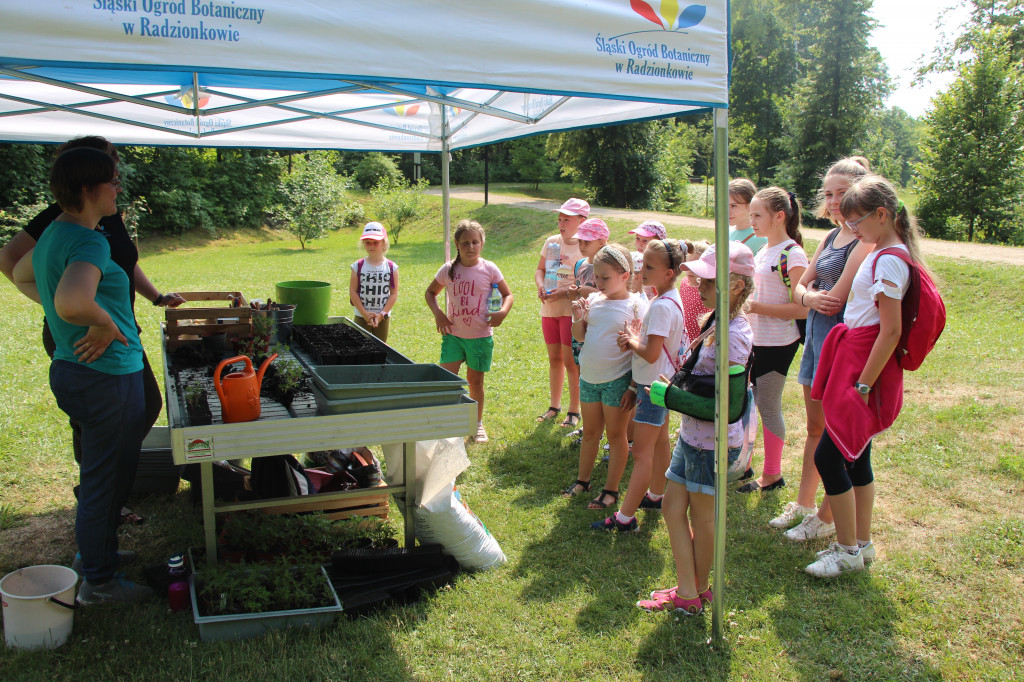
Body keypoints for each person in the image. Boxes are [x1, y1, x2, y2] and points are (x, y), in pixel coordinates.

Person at [0, 135, 183, 528]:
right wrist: (78, 312)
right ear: (85, 180)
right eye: (111, 175)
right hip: (88, 338)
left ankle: (103, 490)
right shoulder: (66, 222)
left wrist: (155, 297)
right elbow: (14, 263)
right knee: (107, 419)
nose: (118, 184)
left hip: (114, 332)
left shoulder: (103, 218)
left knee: (137, 409)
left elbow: (124, 260)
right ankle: (100, 496)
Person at [11, 147, 153, 604]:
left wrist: (64, 319)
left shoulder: (56, 232)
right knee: (104, 481)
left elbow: (21, 274)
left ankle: (97, 555)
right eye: (112, 181)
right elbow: (72, 301)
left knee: (103, 475)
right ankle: (99, 581)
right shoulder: (91, 241)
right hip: (106, 376)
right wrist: (104, 322)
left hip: (76, 371)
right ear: (89, 189)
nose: (118, 188)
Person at [804, 175, 923, 577]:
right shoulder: (886, 252)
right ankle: (863, 544)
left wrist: (863, 384)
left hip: (863, 365)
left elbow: (889, 331)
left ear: (883, 215)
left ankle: (847, 548)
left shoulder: (889, 258)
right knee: (856, 456)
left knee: (829, 454)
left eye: (857, 223)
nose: (852, 230)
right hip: (855, 355)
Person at [636, 241, 755, 614]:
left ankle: (695, 592)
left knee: (703, 518)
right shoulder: (716, 321)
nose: (698, 286)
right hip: (692, 437)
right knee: (672, 508)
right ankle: (691, 587)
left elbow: (729, 407)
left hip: (711, 444)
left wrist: (671, 399)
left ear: (735, 285)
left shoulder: (733, 336)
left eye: (708, 280)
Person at [772, 157, 873, 538]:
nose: (833, 201)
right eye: (828, 194)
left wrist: (810, 297)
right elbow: (801, 289)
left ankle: (828, 519)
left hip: (841, 346)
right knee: (816, 426)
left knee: (837, 433)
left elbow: (836, 296)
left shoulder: (864, 241)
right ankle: (804, 503)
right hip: (816, 339)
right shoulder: (831, 238)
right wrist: (809, 297)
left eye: (841, 193)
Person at [593, 239, 687, 531]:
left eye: (649, 267)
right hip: (662, 383)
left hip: (652, 387)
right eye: (642, 264)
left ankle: (625, 517)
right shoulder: (670, 299)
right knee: (659, 443)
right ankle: (657, 495)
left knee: (643, 452)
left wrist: (630, 341)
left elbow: (651, 352)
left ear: (669, 273)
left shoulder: (660, 306)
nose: (641, 271)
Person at [562, 244, 644, 510]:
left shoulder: (635, 305)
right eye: (596, 276)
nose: (598, 282)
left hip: (617, 380)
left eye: (605, 277)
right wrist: (578, 317)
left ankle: (610, 490)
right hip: (589, 378)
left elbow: (639, 350)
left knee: (616, 436)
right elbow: (581, 336)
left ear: (625, 275)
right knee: (590, 433)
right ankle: (582, 481)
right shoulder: (595, 300)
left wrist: (632, 386)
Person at [740, 186, 808, 493]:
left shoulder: (792, 254)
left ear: (779, 216)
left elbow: (801, 309)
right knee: (748, 404)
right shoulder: (763, 249)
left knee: (768, 405)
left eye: (757, 214)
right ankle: (745, 464)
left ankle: (773, 475)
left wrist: (755, 307)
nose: (751, 220)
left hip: (777, 344)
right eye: (751, 214)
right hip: (753, 341)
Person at [426, 219, 513, 444]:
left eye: (475, 242)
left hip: (480, 337)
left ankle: (476, 424)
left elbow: (508, 294)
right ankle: (445, 422)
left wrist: (502, 312)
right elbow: (430, 293)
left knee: (475, 383)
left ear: (482, 243)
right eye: (465, 242)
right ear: (457, 244)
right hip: (454, 336)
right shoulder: (449, 269)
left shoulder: (490, 268)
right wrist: (439, 314)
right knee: (447, 380)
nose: (470, 247)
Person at [535, 199, 587, 428]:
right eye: (560, 218)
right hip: (549, 309)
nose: (561, 222)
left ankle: (573, 410)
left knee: (570, 362)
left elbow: (583, 285)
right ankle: (554, 406)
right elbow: (541, 269)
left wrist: (562, 294)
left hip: (570, 312)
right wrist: (539, 285)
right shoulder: (551, 242)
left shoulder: (584, 247)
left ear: (582, 221)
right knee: (554, 359)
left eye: (567, 219)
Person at [564, 218, 609, 444]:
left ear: (602, 241)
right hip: (580, 324)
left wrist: (588, 290)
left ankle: (605, 429)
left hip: (600, 329)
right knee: (584, 379)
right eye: (580, 240)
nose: (582, 244)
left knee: (601, 381)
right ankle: (590, 427)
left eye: (587, 241)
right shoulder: (580, 264)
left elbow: (611, 293)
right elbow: (577, 291)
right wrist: (574, 293)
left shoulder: (608, 265)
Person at [349, 221, 399, 342]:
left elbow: (393, 293)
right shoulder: (358, 266)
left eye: (375, 242)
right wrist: (365, 314)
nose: (371, 246)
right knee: (358, 348)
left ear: (384, 243)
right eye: (367, 243)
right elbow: (353, 292)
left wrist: (382, 314)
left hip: (382, 317)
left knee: (380, 348)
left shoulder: (391, 267)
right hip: (362, 315)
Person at [679, 239, 712, 347]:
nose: (690, 270)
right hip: (685, 340)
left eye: (696, 265)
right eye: (688, 264)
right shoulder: (684, 282)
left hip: (703, 340)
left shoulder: (708, 288)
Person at [628, 220, 668, 296]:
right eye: (637, 238)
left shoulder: (659, 264)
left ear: (658, 244)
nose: (640, 243)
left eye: (645, 241)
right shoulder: (633, 258)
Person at [728, 178, 767, 255]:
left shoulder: (760, 239)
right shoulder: (726, 232)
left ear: (750, 206)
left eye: (733, 206)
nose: (727, 212)